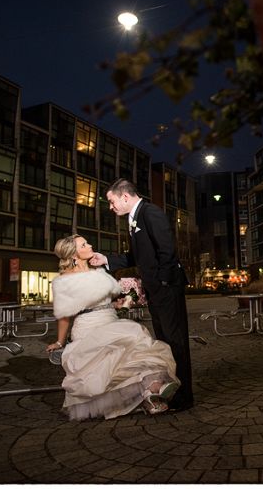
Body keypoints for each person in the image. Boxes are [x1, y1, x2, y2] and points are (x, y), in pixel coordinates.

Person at [46, 234, 180, 420]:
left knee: (135, 347)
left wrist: (120, 303)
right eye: (84, 244)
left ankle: (151, 390)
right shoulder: (65, 280)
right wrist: (60, 342)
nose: (90, 244)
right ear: (74, 254)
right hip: (89, 327)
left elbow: (105, 300)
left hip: (111, 320)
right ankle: (148, 393)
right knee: (115, 359)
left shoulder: (99, 270)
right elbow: (64, 316)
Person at [90, 178, 194, 412]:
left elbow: (167, 249)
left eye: (111, 201)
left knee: (176, 341)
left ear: (125, 196)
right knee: (165, 343)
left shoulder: (150, 212)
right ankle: (173, 389)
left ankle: (185, 397)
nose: (110, 206)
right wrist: (107, 260)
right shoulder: (133, 218)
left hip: (166, 288)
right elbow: (137, 256)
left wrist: (162, 283)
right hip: (156, 290)